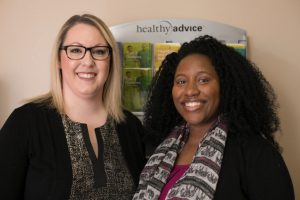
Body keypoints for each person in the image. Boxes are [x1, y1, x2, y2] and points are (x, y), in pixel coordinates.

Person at [0, 14, 146, 199]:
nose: (88, 61)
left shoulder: (130, 127)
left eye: (99, 51)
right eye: (76, 50)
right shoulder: (26, 123)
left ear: (111, 60)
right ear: (59, 60)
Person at [133, 35, 294, 200]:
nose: (190, 91)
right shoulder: (161, 149)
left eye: (203, 80)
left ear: (224, 85)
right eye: (181, 81)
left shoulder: (256, 153)